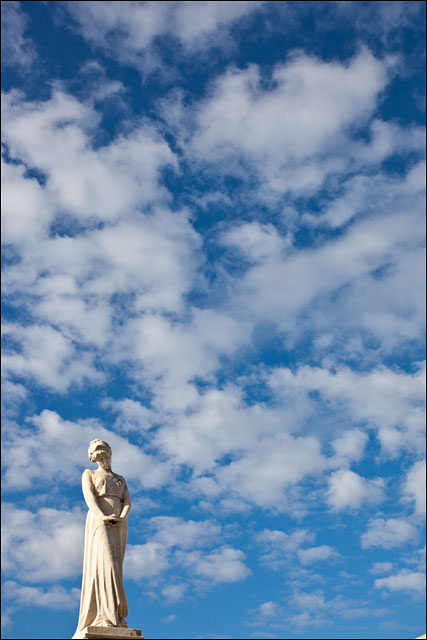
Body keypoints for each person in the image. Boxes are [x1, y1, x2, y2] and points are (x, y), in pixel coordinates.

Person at [73, 439, 131, 639]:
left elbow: (127, 501)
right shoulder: (88, 474)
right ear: (95, 457)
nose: (104, 458)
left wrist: (121, 517)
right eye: (100, 455)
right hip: (99, 520)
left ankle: (116, 616)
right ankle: (103, 615)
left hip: (119, 523)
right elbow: (90, 498)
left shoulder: (120, 479)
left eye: (106, 453)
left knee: (116, 566)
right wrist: (102, 516)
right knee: (106, 563)